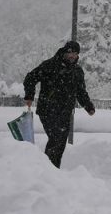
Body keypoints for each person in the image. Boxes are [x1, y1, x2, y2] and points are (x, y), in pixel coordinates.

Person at [23, 40, 96, 168]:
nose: (72, 56)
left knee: (61, 142)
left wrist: (88, 106)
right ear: (64, 52)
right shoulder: (50, 65)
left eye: (75, 53)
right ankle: (47, 169)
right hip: (47, 110)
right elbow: (31, 77)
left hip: (65, 112)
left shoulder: (77, 71)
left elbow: (81, 91)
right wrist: (29, 95)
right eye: (70, 53)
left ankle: (52, 170)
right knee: (56, 138)